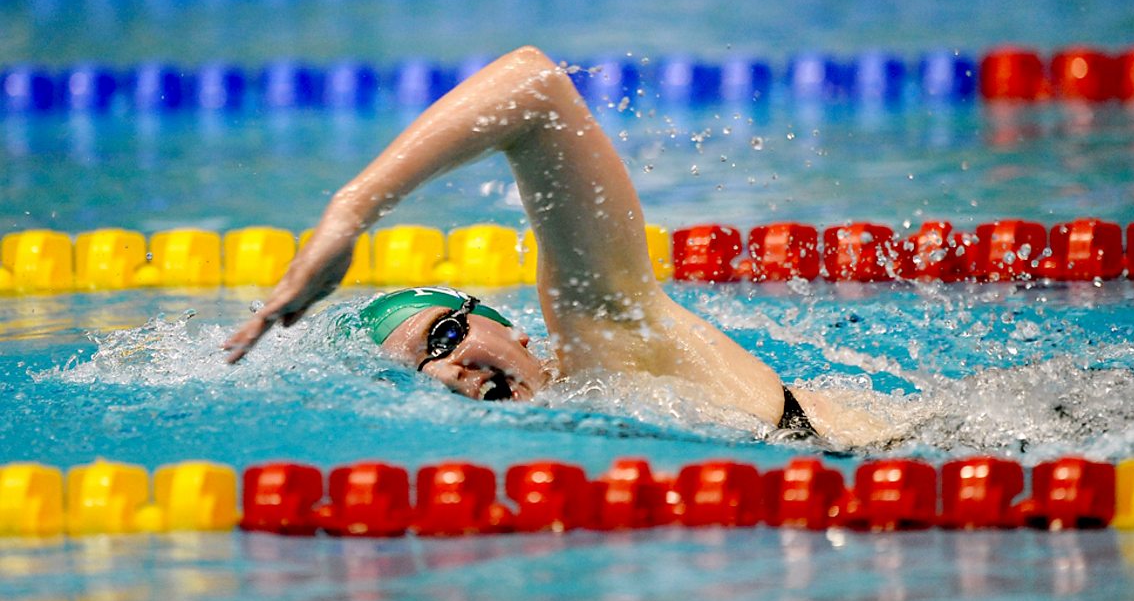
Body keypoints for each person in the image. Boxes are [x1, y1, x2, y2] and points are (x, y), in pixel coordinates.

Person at [223, 46, 891, 446]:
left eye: (446, 333)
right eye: (419, 370)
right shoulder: (562, 436)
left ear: (513, 329)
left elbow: (534, 87)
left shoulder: (606, 340)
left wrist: (350, 212)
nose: (450, 368)